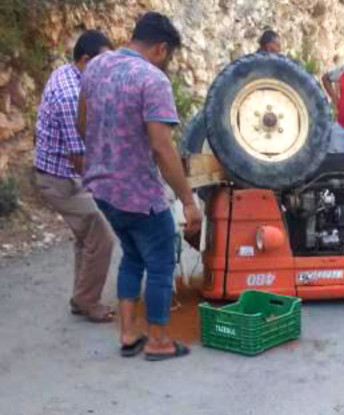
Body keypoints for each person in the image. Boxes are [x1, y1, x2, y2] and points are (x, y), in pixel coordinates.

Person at [77, 11, 202, 361]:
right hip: (137, 194)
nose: (167, 65)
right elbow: (163, 147)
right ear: (161, 49)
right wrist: (188, 201)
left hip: (102, 189)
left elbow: (82, 122)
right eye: (169, 58)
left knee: (132, 255)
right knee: (161, 261)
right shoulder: (152, 80)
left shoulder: (97, 67)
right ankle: (159, 340)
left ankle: (128, 332)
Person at [34, 30, 115, 323]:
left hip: (59, 172)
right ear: (85, 59)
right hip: (61, 179)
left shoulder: (67, 74)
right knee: (102, 236)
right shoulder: (72, 96)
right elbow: (80, 159)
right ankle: (87, 301)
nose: (108, 69)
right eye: (103, 62)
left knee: (87, 235)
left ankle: (81, 298)